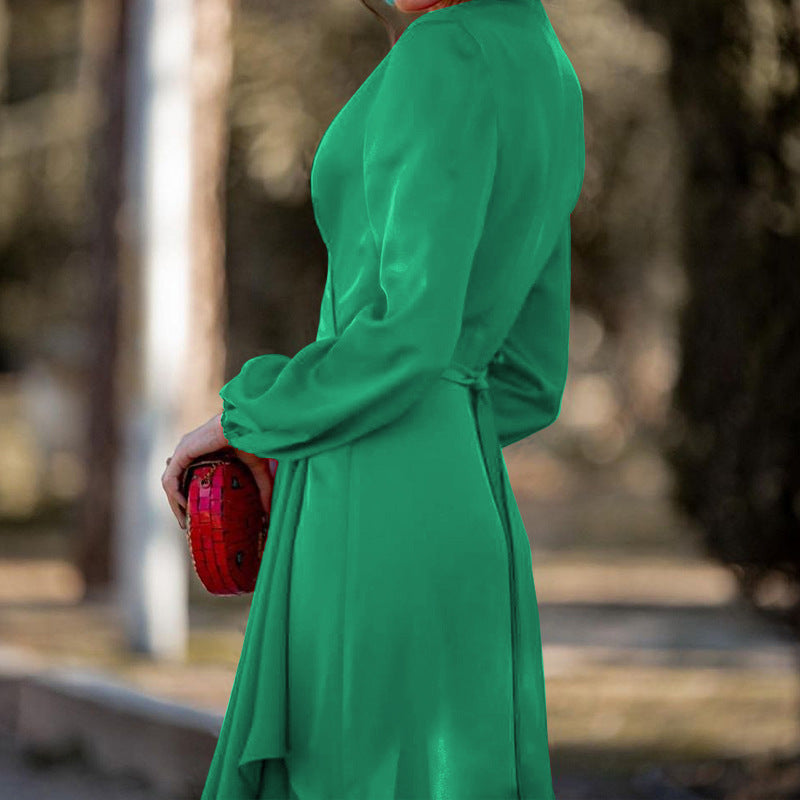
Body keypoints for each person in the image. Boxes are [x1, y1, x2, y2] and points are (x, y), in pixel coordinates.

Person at [163, 0, 585, 796]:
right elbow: (534, 376)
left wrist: (249, 419)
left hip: (370, 496)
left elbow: (410, 332)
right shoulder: (549, 69)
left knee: (350, 769)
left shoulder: (441, 52)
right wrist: (435, 434)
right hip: (468, 497)